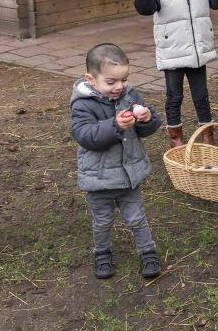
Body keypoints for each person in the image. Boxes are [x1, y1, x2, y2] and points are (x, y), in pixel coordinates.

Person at [70, 44, 163, 280]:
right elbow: (85, 136)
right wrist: (114, 125)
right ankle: (102, 254)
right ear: (90, 79)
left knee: (136, 217)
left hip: (128, 174)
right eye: (111, 82)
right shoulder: (82, 104)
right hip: (99, 178)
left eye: (124, 79)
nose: (119, 86)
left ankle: (148, 252)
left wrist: (147, 118)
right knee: (102, 221)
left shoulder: (128, 95)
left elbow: (146, 130)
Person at [135, 0, 218, 147]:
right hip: (173, 52)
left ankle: (207, 133)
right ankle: (176, 136)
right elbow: (144, 8)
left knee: (201, 96)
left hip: (197, 52)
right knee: (174, 97)